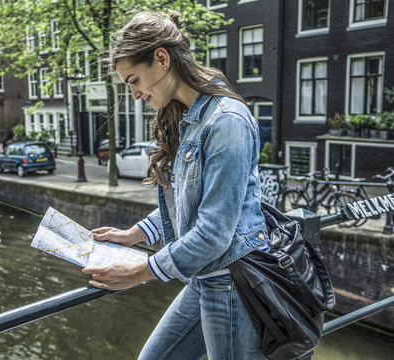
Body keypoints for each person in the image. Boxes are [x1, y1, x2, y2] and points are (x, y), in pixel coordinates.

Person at [82, 10, 269, 360]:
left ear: (162, 59)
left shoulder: (226, 121)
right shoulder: (187, 116)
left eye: (134, 80)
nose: (135, 94)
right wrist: (133, 234)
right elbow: (187, 199)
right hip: (204, 277)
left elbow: (214, 233)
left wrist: (139, 272)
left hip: (231, 281)